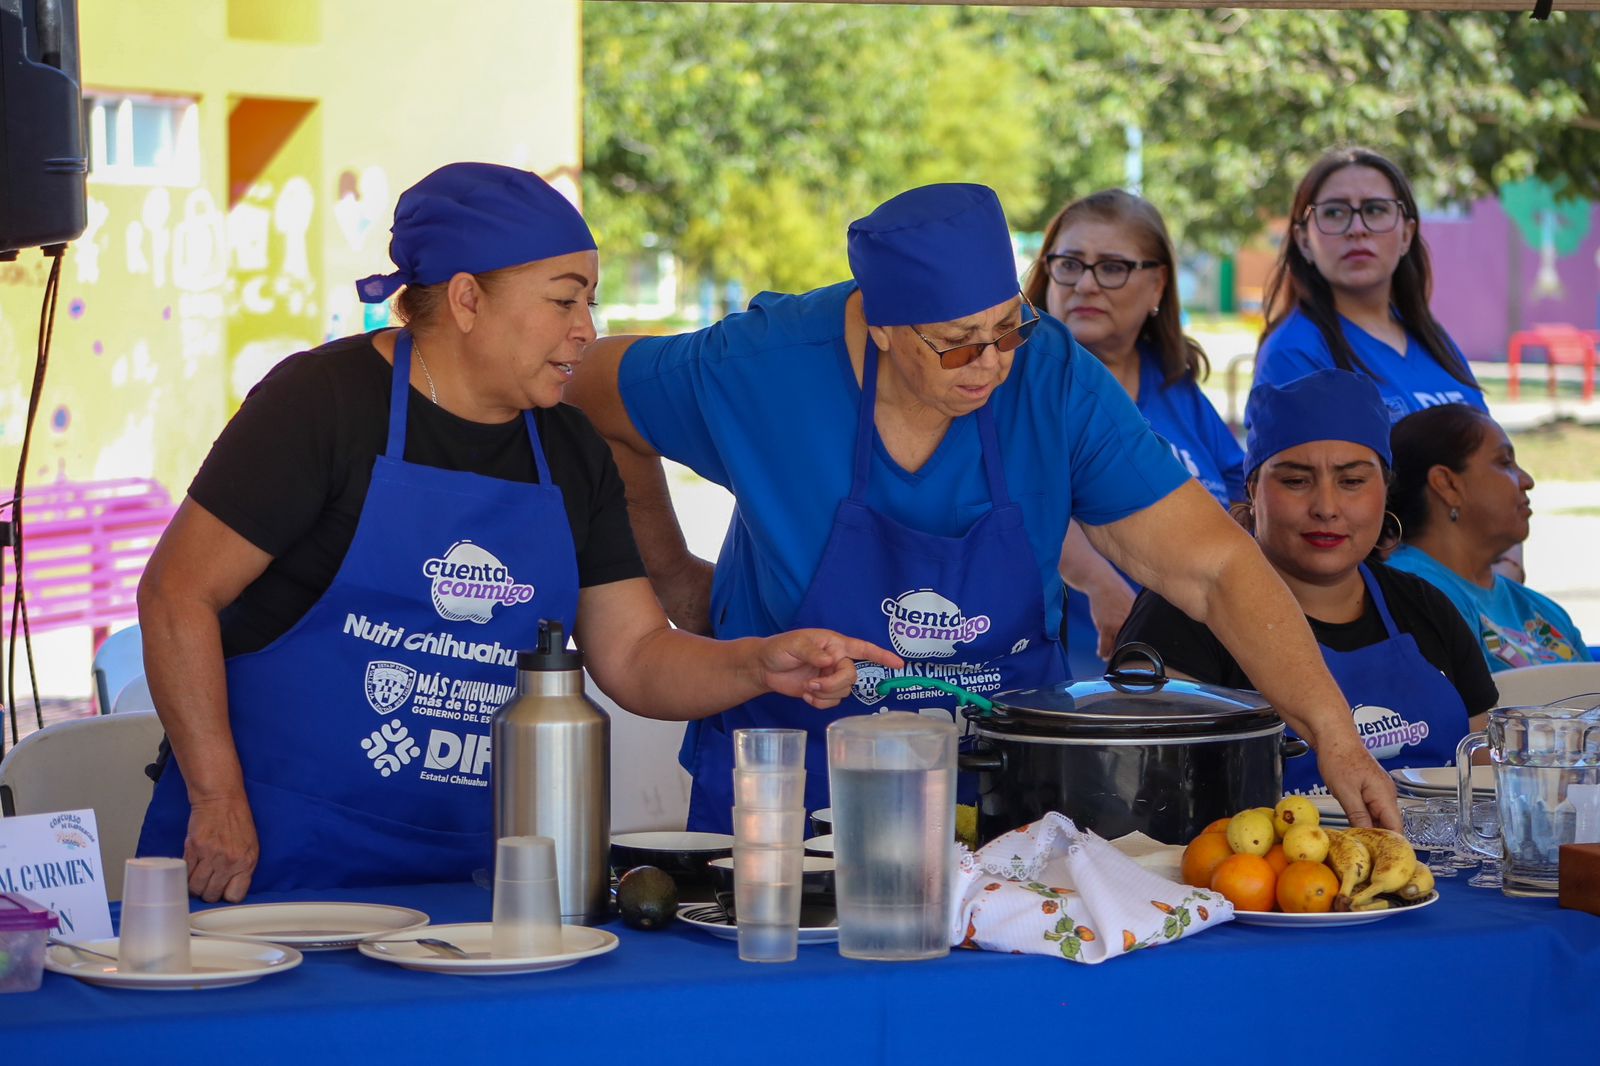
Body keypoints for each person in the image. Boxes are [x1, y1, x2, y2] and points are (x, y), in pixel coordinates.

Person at [134, 163, 900, 902]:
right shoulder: (323, 404)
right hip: (269, 859)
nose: (586, 332)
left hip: (473, 879)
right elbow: (176, 593)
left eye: (590, 303)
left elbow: (634, 656)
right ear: (467, 298)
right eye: (564, 302)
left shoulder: (568, 451)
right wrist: (216, 796)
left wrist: (759, 664)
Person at [566, 182, 1400, 833]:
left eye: (1009, 329)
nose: (992, 364)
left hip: (1007, 787)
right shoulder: (759, 368)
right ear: (882, 326)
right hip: (794, 791)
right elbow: (581, 392)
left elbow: (1215, 566)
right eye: (960, 343)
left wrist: (1332, 728)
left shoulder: (1053, 377)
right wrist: (670, 576)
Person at [1120, 369, 1497, 793]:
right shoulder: (1182, 610)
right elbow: (1147, 785)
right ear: (1253, 489)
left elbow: (1484, 774)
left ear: (1385, 490)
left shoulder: (1424, 606)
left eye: (1352, 481)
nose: (1326, 507)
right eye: (1296, 480)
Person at [1021, 189, 1244, 677]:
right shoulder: (1021, 385)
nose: (1085, 284)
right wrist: (1100, 582)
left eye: (1113, 267)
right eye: (1070, 264)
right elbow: (1026, 501)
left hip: (1205, 672)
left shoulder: (1177, 388)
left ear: (1158, 284)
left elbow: (1243, 500)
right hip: (1081, 677)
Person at [1255, 147, 1487, 423]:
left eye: (1375, 209)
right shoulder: (1295, 353)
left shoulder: (1433, 341)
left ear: (1406, 234)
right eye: (1334, 213)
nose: (1357, 229)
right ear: (1304, 241)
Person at [1386, 404, 1592, 673]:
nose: (1527, 480)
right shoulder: (1409, 593)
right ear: (1447, 485)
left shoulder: (1541, 609)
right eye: (1505, 462)